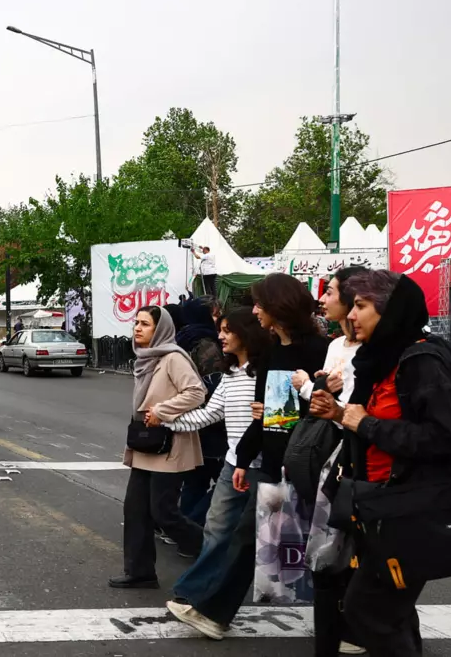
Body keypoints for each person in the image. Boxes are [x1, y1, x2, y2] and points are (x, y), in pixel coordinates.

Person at [167, 273, 328, 639]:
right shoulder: (273, 354)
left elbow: (312, 412)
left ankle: (354, 625)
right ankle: (212, 612)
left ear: (278, 307)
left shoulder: (317, 352)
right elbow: (270, 416)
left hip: (309, 465)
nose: (254, 310)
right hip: (275, 465)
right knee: (246, 538)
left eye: (260, 303)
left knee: (322, 549)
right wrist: (242, 459)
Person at [325, 270, 451, 656]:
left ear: (389, 311)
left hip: (412, 512)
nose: (351, 315)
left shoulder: (421, 361)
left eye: (360, 305)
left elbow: (446, 438)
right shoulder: (382, 358)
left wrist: (364, 423)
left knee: (368, 611)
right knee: (392, 614)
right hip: (381, 508)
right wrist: (343, 416)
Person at [165, 308, 270, 631]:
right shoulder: (232, 373)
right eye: (219, 329)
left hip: (262, 467)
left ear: (246, 333)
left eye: (227, 330)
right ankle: (196, 596)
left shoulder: (266, 371)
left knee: (247, 540)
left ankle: (199, 597)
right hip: (233, 463)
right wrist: (167, 421)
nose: (220, 336)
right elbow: (209, 414)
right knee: (216, 529)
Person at [296, 266, 368, 657]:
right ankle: (338, 627)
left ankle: (357, 626)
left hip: (362, 456)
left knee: (360, 546)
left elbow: (358, 408)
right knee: (333, 546)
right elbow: (325, 404)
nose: (324, 299)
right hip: (333, 453)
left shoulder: (379, 351)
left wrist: (309, 386)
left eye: (332, 292)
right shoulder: (336, 345)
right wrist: (319, 386)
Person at [110, 306, 206, 590]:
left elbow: (196, 393)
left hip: (169, 446)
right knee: (135, 509)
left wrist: (163, 410)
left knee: (164, 513)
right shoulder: (145, 359)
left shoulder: (173, 358)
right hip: (145, 444)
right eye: (136, 323)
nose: (137, 328)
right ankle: (140, 572)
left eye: (145, 324)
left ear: (160, 329)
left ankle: (215, 552)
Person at [173, 297, 227, 528]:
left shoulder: (180, 340)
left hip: (188, 419)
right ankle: (190, 526)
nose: (219, 321)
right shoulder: (207, 343)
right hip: (209, 423)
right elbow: (214, 388)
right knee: (224, 484)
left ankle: (180, 527)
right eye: (216, 315)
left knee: (195, 480)